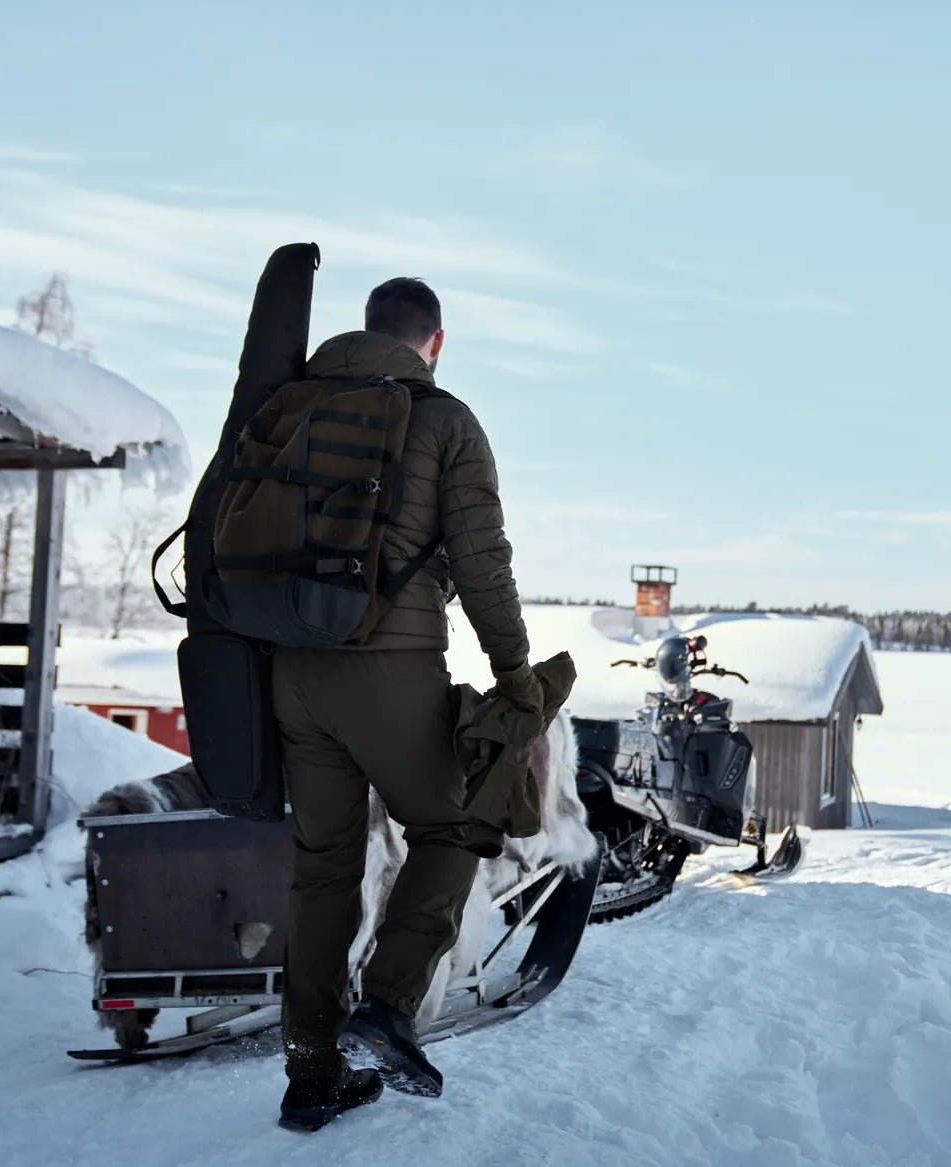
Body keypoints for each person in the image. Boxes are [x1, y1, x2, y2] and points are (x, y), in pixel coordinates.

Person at [275, 277, 535, 1132]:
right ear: (436, 341)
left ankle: (311, 1072)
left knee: (323, 865)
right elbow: (482, 559)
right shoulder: (444, 418)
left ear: (365, 329)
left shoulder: (289, 402)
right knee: (453, 825)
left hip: (290, 668)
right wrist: (514, 671)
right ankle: (386, 1007)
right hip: (388, 662)